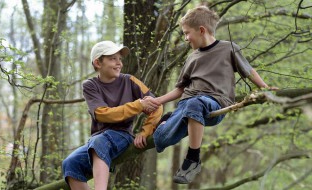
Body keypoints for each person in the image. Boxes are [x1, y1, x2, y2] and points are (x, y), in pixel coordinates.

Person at [152, 6, 277, 184]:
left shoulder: (229, 49)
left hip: (214, 103)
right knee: (160, 139)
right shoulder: (191, 58)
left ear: (201, 30)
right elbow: (180, 89)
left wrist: (265, 88)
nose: (186, 38)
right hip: (186, 105)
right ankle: (172, 118)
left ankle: (193, 159)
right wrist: (157, 101)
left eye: (187, 33)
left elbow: (248, 71)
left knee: (196, 103)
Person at [62, 40, 163, 190]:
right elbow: (101, 114)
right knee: (70, 164)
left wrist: (146, 130)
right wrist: (138, 105)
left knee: (98, 143)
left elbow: (157, 105)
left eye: (120, 59)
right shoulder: (90, 86)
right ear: (98, 63)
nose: (119, 63)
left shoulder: (130, 80)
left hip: (121, 135)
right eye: (112, 59)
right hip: (97, 139)